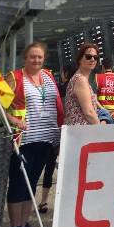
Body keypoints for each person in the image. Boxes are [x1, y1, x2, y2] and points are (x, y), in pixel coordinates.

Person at [5, 41, 64, 227]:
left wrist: (57, 136)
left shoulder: (48, 77)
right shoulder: (15, 77)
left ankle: (24, 223)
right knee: (19, 183)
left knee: (32, 183)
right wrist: (14, 120)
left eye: (39, 57)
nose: (36, 60)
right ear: (25, 58)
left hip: (46, 138)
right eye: (32, 57)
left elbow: (56, 104)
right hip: (24, 140)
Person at [38, 60, 78, 214]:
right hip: (72, 133)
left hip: (55, 131)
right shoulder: (79, 87)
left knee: (48, 167)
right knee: (70, 168)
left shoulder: (58, 89)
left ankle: (43, 202)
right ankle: (69, 201)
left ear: (66, 73)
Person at [64, 43, 101, 126]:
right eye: (88, 57)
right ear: (80, 59)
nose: (92, 60)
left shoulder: (81, 78)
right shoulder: (81, 79)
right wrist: (101, 130)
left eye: (95, 57)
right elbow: (89, 112)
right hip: (80, 131)